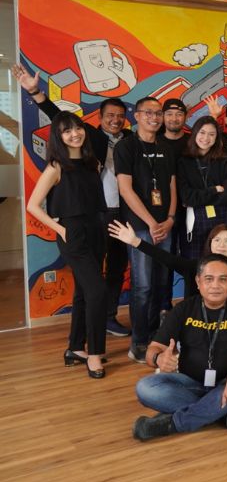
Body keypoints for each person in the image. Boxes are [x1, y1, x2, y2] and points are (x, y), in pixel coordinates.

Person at [16, 64, 132, 337]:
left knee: (116, 267)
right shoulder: (90, 138)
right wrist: (35, 93)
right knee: (92, 278)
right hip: (98, 213)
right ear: (100, 118)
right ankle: (94, 331)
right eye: (110, 115)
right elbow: (60, 119)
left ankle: (108, 317)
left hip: (125, 210)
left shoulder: (130, 139)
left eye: (120, 116)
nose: (115, 120)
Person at [132, 254, 227, 441]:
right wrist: (158, 358)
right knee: (145, 387)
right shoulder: (183, 309)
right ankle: (221, 412)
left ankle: (173, 423)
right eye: (209, 279)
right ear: (198, 281)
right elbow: (153, 349)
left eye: (222, 279)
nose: (215, 285)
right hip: (190, 384)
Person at [26, 111, 108, 378]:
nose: (75, 134)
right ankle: (94, 353)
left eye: (78, 128)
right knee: (97, 291)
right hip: (72, 233)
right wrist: (61, 229)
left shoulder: (92, 162)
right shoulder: (55, 167)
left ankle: (75, 347)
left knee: (84, 291)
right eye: (67, 130)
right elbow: (32, 206)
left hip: (97, 229)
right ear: (58, 136)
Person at [115, 96, 178, 363]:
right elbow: (125, 189)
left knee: (161, 284)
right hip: (141, 227)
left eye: (158, 113)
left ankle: (156, 338)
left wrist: (171, 218)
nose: (154, 117)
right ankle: (139, 342)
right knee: (143, 287)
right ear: (137, 116)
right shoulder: (126, 146)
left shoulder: (166, 146)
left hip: (165, 226)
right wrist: (151, 223)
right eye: (148, 113)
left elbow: (172, 185)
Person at [109, 221, 227, 305]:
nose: (221, 245)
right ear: (210, 244)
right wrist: (135, 241)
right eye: (217, 240)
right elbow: (166, 258)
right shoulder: (195, 267)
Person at [176, 116, 227, 260]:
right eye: (202, 132)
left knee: (223, 261)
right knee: (195, 264)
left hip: (223, 217)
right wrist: (214, 190)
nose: (206, 138)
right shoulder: (184, 161)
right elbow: (187, 197)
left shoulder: (224, 160)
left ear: (216, 138)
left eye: (211, 134)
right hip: (195, 220)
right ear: (195, 133)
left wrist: (198, 198)